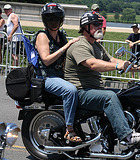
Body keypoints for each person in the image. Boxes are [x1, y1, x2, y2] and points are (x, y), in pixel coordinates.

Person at [64, 11, 140, 144]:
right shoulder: (80, 45)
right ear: (85, 27)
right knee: (109, 97)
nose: (100, 27)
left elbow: (112, 60)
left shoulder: (96, 45)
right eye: (96, 24)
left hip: (94, 89)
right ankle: (127, 136)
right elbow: (92, 64)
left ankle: (125, 130)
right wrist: (117, 66)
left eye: (101, 24)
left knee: (128, 94)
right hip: (81, 91)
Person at [33, 3, 81, 142]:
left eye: (56, 18)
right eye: (49, 18)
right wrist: (67, 46)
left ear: (61, 20)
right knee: (70, 90)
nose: (53, 22)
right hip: (46, 77)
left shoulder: (61, 35)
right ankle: (69, 129)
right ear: (44, 20)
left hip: (60, 75)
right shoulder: (43, 36)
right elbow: (46, 60)